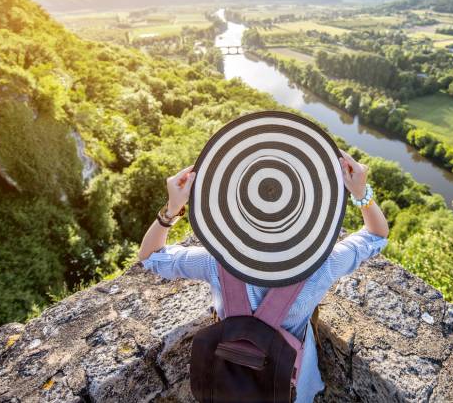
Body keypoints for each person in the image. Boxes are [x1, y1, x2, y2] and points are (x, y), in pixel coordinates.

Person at [137, 149, 389, 403]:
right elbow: (377, 235)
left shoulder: (216, 261)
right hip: (288, 378)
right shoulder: (324, 265)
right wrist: (361, 193)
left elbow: (150, 256)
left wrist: (172, 209)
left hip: (228, 373)